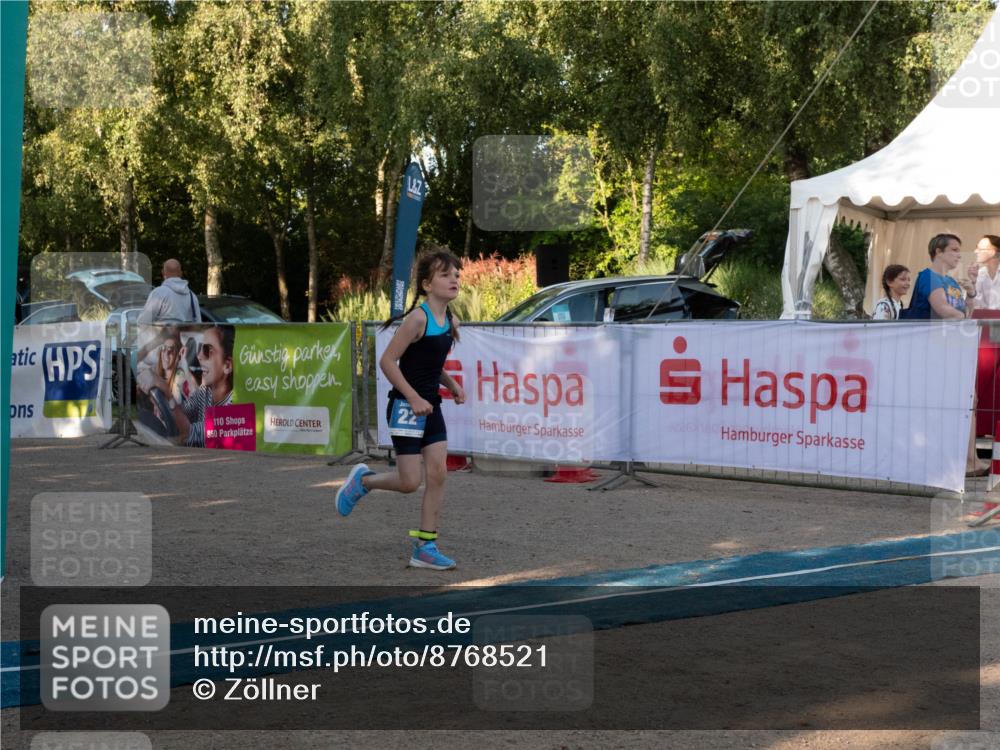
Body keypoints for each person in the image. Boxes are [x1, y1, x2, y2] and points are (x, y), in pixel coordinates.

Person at [335, 249, 466, 571]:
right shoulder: (417, 318)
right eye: (445, 275)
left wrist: (451, 385)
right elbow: (387, 362)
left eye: (456, 275)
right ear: (426, 284)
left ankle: (425, 546)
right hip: (406, 407)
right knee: (409, 483)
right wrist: (414, 398)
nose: (454, 280)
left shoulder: (451, 320)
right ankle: (363, 481)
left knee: (438, 474)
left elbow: (430, 365)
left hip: (430, 405)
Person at [151, 325, 234, 447]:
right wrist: (164, 407)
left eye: (207, 351)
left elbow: (190, 434)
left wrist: (167, 394)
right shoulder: (206, 391)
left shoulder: (234, 404)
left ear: (227, 366)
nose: (199, 356)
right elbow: (184, 411)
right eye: (200, 348)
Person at [907, 234, 975, 319]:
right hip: (930, 331)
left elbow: (967, 314)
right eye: (954, 250)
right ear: (939, 252)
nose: (959, 255)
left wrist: (970, 294)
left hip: (950, 331)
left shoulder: (951, 281)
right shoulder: (928, 276)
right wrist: (963, 317)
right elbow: (944, 311)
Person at [138, 259, 202, 325]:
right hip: (186, 335)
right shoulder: (192, 296)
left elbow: (144, 321)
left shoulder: (158, 293)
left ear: (163, 272)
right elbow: (198, 323)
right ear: (180, 273)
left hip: (162, 335)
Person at [967, 234, 1000, 310]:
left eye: (979, 249)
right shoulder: (978, 274)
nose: (975, 251)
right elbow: (973, 307)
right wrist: (973, 283)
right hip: (984, 320)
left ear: (992, 252)